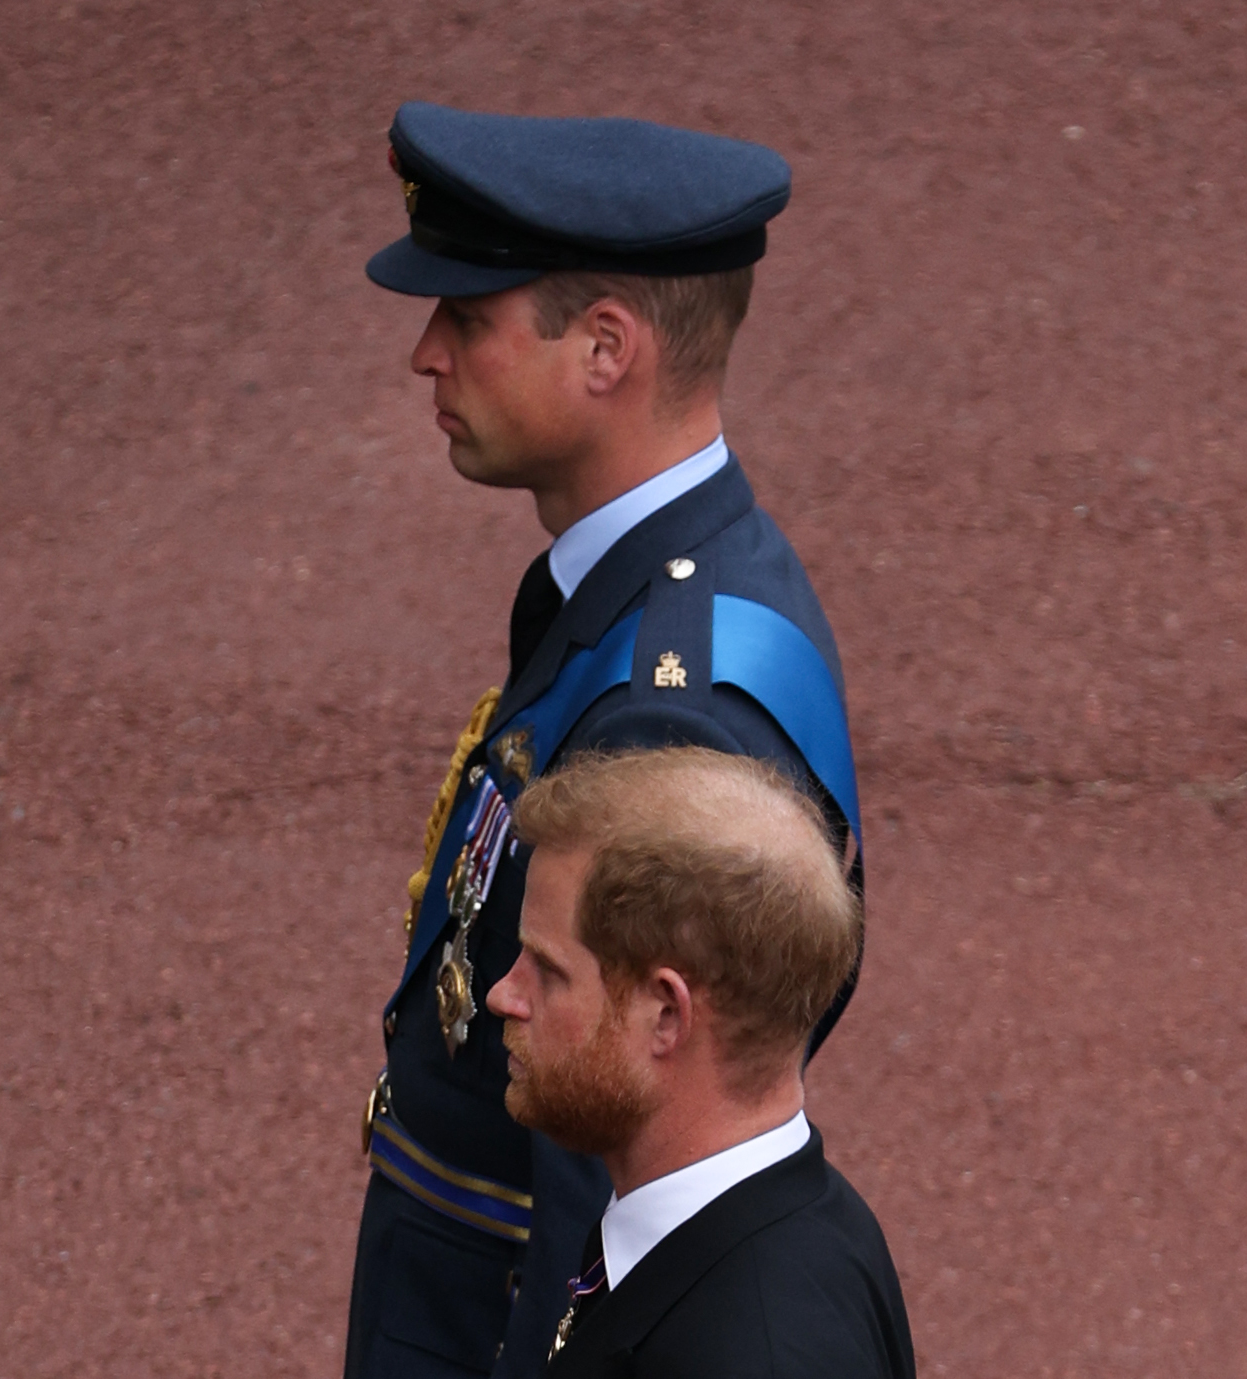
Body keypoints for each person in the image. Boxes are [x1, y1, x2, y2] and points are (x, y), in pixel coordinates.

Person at [345, 103, 864, 1379]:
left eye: (468, 320)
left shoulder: (667, 697)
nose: (427, 353)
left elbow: (621, 1127)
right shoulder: (636, 596)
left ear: (605, 349)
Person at [488, 748, 912, 1379]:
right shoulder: (794, 1220)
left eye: (547, 972)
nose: (503, 994)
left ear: (665, 1014)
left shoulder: (754, 1352)